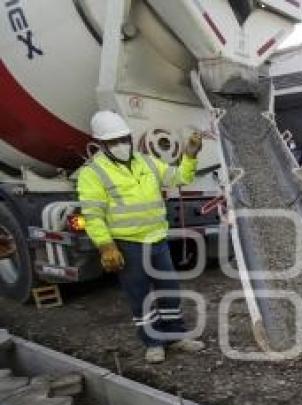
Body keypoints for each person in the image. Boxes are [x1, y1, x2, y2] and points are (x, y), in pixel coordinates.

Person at [76, 110, 205, 363]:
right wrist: (106, 246)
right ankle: (153, 342)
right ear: (102, 144)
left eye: (124, 138)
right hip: (128, 245)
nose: (121, 145)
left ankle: (176, 337)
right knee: (140, 295)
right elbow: (93, 215)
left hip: (158, 239)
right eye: (113, 141)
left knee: (169, 291)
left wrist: (190, 155)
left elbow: (179, 177)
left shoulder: (146, 161)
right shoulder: (92, 173)